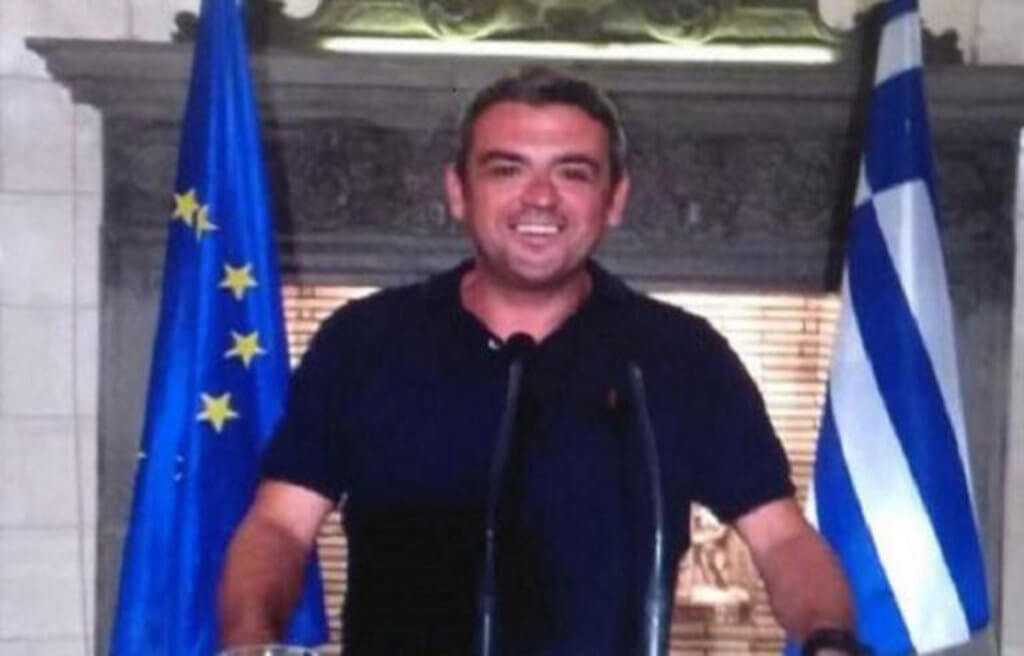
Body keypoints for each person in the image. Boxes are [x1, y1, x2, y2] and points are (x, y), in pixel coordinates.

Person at [219, 66, 859, 655]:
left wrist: (828, 639)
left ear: (615, 199)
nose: (541, 198)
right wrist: (249, 641)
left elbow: (782, 538)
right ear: (458, 191)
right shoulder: (365, 342)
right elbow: (280, 525)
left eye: (573, 173)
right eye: (507, 170)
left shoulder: (681, 356)